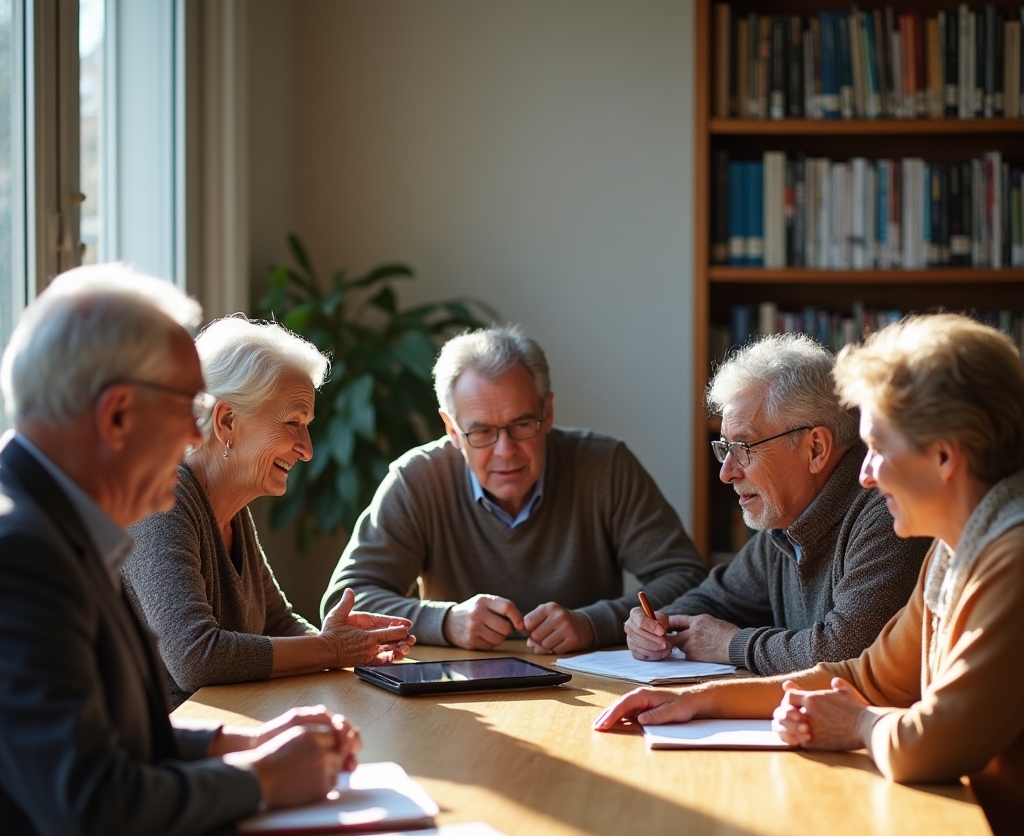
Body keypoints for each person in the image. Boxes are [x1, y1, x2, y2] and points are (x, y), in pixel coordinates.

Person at [596, 314, 1024, 836]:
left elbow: (932, 743)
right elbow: (866, 674)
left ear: (946, 457)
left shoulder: (1008, 558)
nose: (863, 472)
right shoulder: (959, 549)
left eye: (879, 448)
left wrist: (853, 724)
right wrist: (709, 701)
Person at [0, 264, 364, 836]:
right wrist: (263, 781)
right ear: (118, 415)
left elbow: (118, 739)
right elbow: (93, 805)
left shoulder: (63, 529)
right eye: (188, 407)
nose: (202, 432)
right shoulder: (21, 551)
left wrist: (233, 748)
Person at [322, 324, 707, 653]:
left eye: (523, 425)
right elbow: (345, 603)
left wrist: (593, 624)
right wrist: (445, 622)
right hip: (458, 691)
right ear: (452, 430)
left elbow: (688, 579)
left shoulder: (604, 466)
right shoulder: (417, 479)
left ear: (549, 412)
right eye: (482, 432)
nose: (506, 451)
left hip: (587, 685)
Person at [123, 315, 413, 704]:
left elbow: (278, 622)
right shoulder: (161, 501)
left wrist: (351, 645)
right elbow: (195, 658)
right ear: (226, 421)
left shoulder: (229, 506)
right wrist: (330, 649)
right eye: (293, 422)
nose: (307, 449)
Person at [624, 334, 930, 674]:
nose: (726, 473)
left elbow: (850, 653)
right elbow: (710, 602)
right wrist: (653, 627)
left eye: (743, 447)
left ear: (815, 448)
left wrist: (731, 644)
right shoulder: (788, 519)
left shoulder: (889, 512)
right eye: (725, 448)